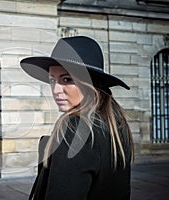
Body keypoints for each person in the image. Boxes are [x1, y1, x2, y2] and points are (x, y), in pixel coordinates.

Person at [20, 36, 134, 200]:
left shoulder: (75, 130)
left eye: (67, 79)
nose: (56, 90)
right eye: (52, 80)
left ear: (91, 83)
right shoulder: (116, 124)